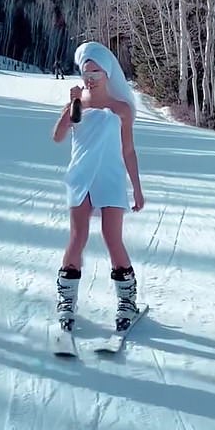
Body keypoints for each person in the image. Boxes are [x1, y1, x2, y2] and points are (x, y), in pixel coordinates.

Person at [51, 41, 145, 332]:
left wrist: (137, 189)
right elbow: (57, 137)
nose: (90, 77)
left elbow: (128, 150)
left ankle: (127, 300)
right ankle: (66, 300)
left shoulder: (121, 108)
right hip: (81, 177)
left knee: (111, 237)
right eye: (85, 71)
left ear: (107, 73)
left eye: (95, 71)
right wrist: (71, 107)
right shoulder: (79, 105)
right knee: (77, 237)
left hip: (111, 178)